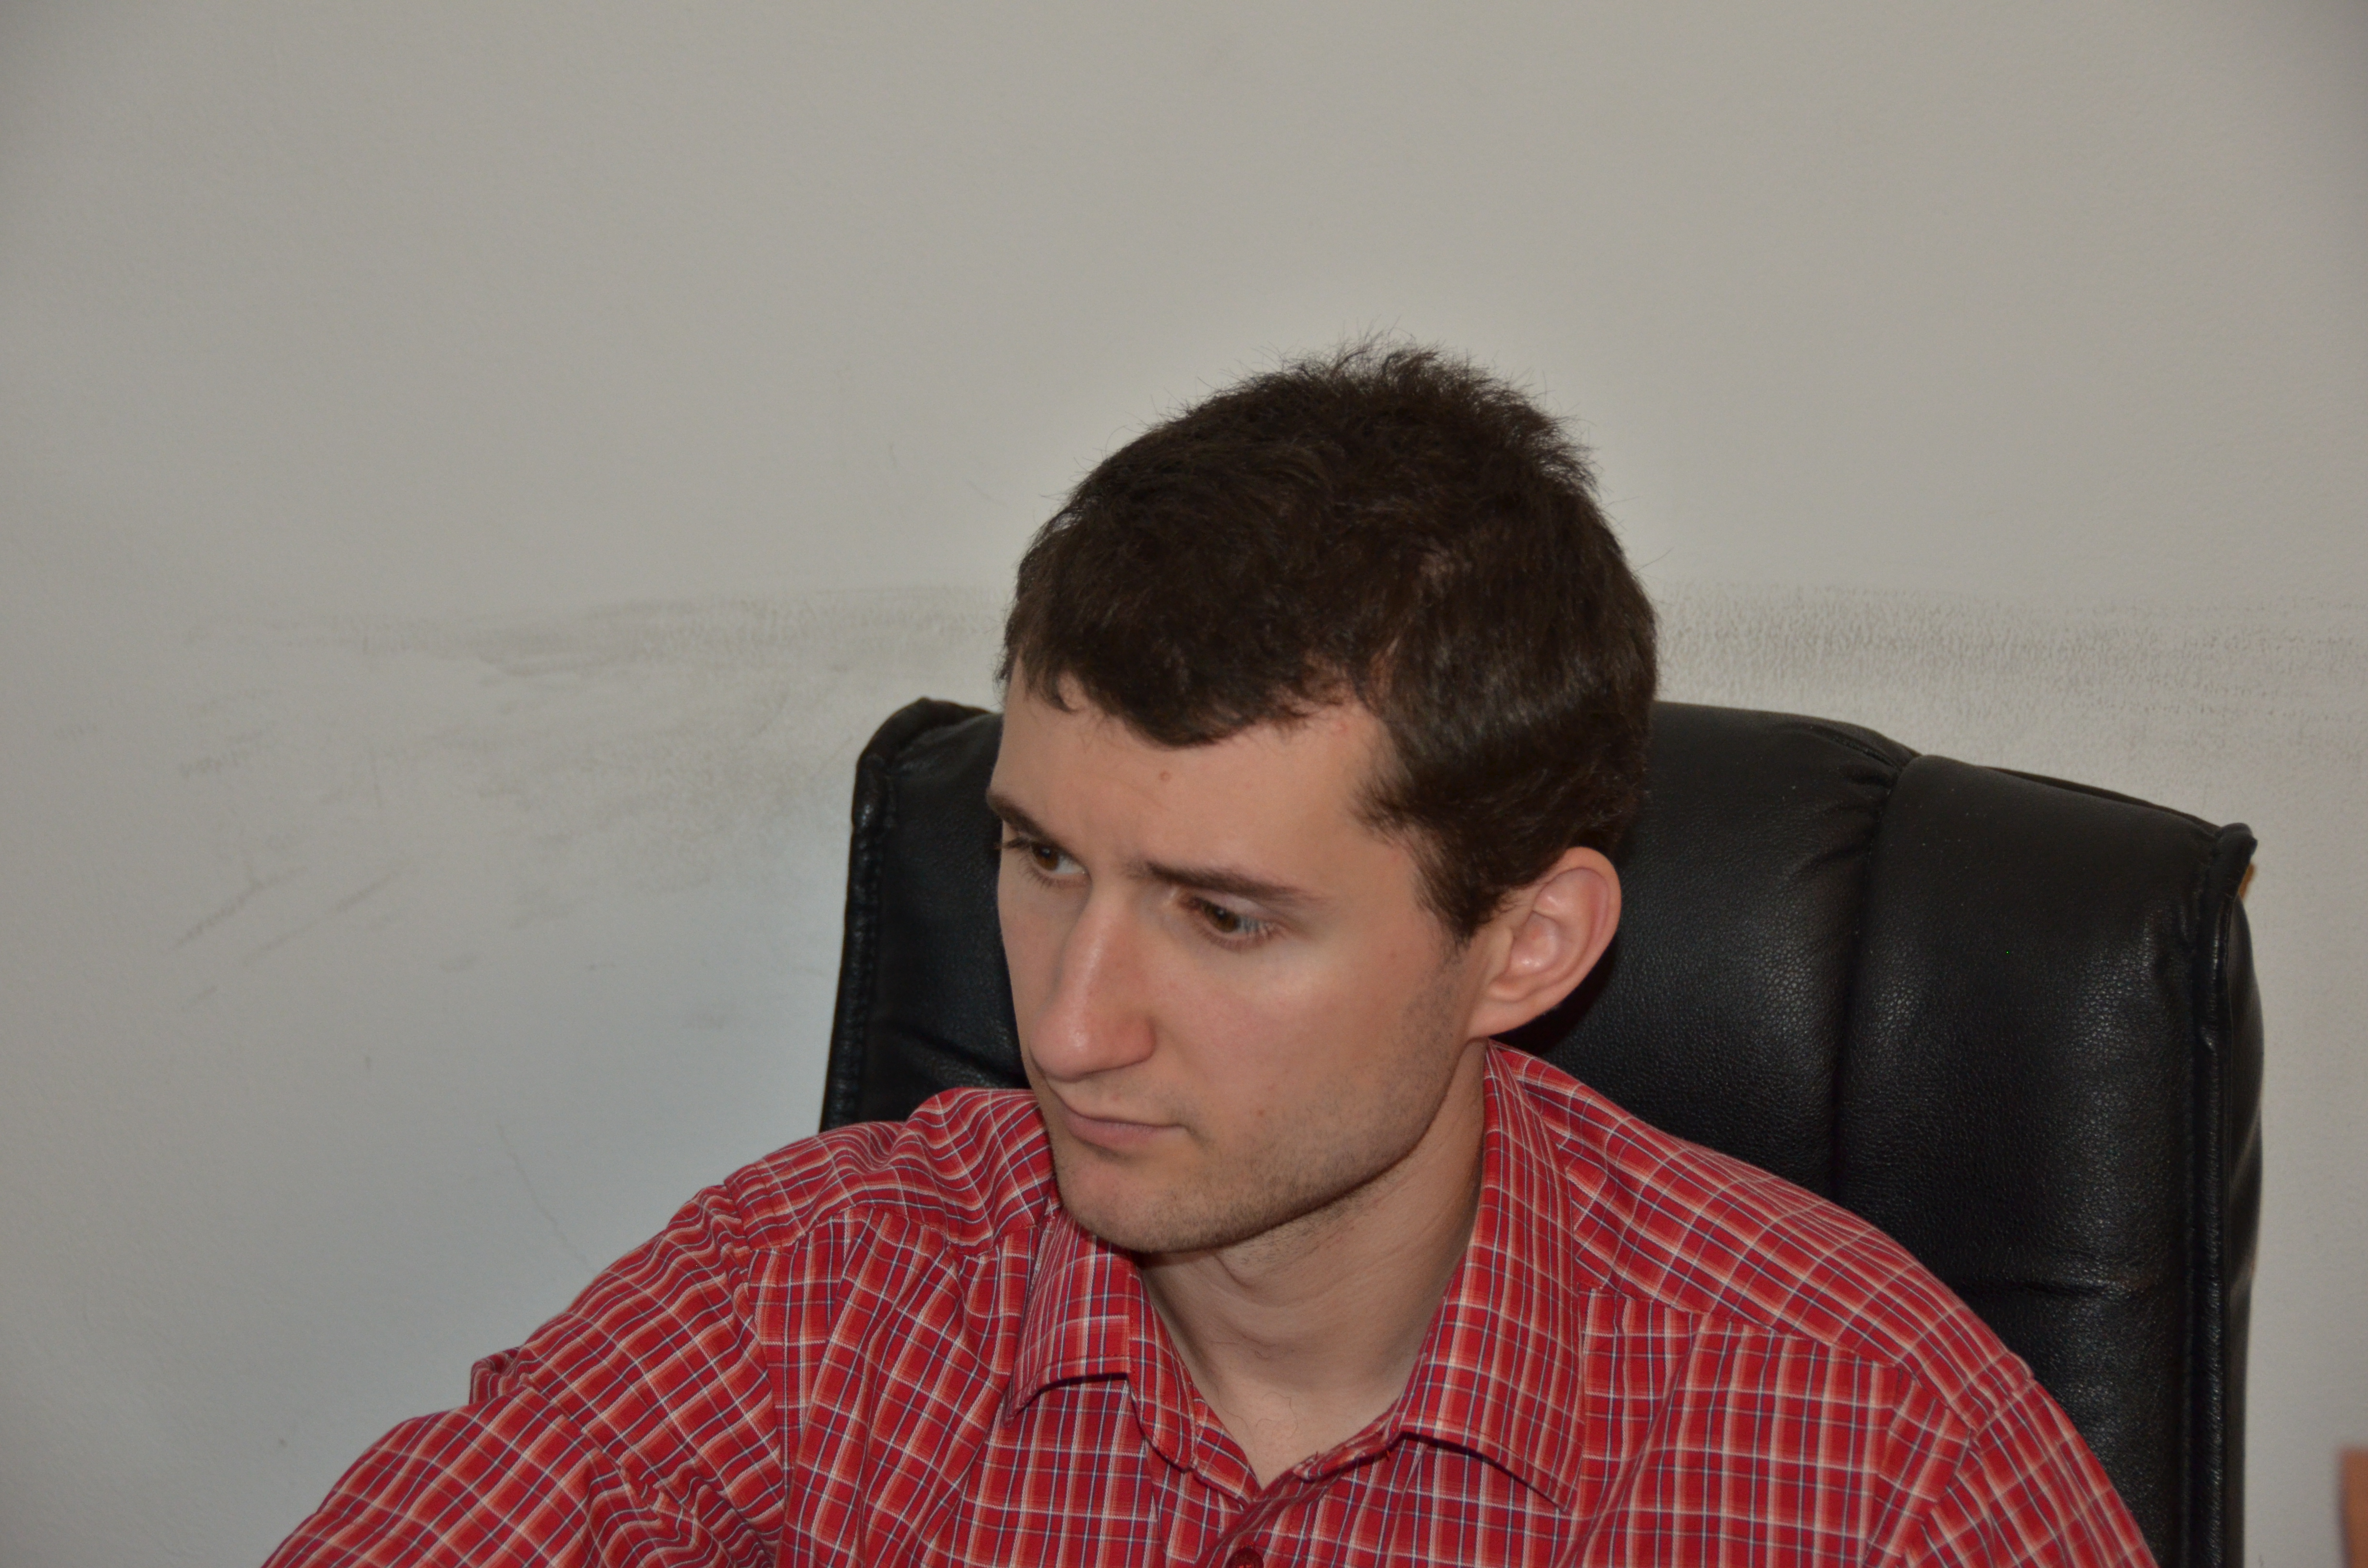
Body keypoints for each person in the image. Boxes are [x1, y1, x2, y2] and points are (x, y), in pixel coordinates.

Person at [266, 345, 2153, 1565]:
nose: (1070, 1026)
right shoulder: (810, 1305)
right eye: (1039, 858)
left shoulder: (1874, 1457)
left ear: (1525, 944)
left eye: (1223, 916)